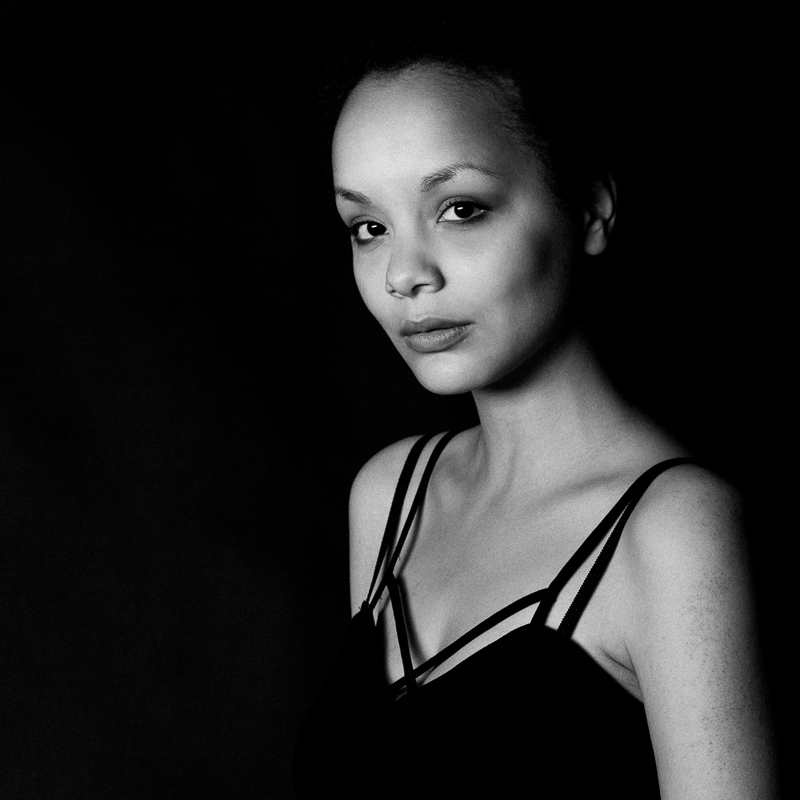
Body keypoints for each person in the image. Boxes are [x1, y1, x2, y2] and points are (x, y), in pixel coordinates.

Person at [293, 22, 776, 798]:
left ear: (589, 208)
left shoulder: (672, 532)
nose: (403, 274)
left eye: (461, 209)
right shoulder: (388, 496)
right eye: (369, 228)